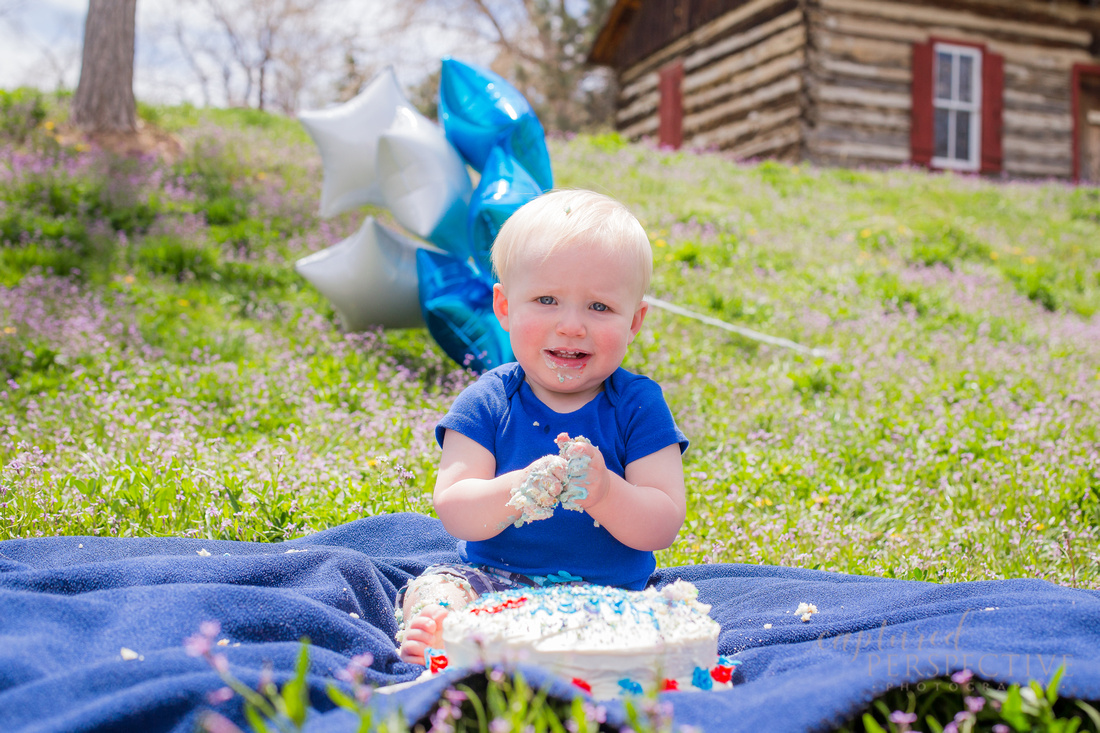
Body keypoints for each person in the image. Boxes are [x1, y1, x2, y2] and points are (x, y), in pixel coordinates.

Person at [396, 189, 688, 665]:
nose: (571, 326)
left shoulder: (639, 406)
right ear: (505, 307)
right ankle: (442, 629)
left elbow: (662, 523)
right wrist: (520, 488)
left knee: (670, 616)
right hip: (497, 582)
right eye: (547, 300)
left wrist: (606, 494)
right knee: (437, 586)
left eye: (599, 307)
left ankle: (539, 651)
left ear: (634, 321)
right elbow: (454, 507)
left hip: (611, 595)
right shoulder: (489, 401)